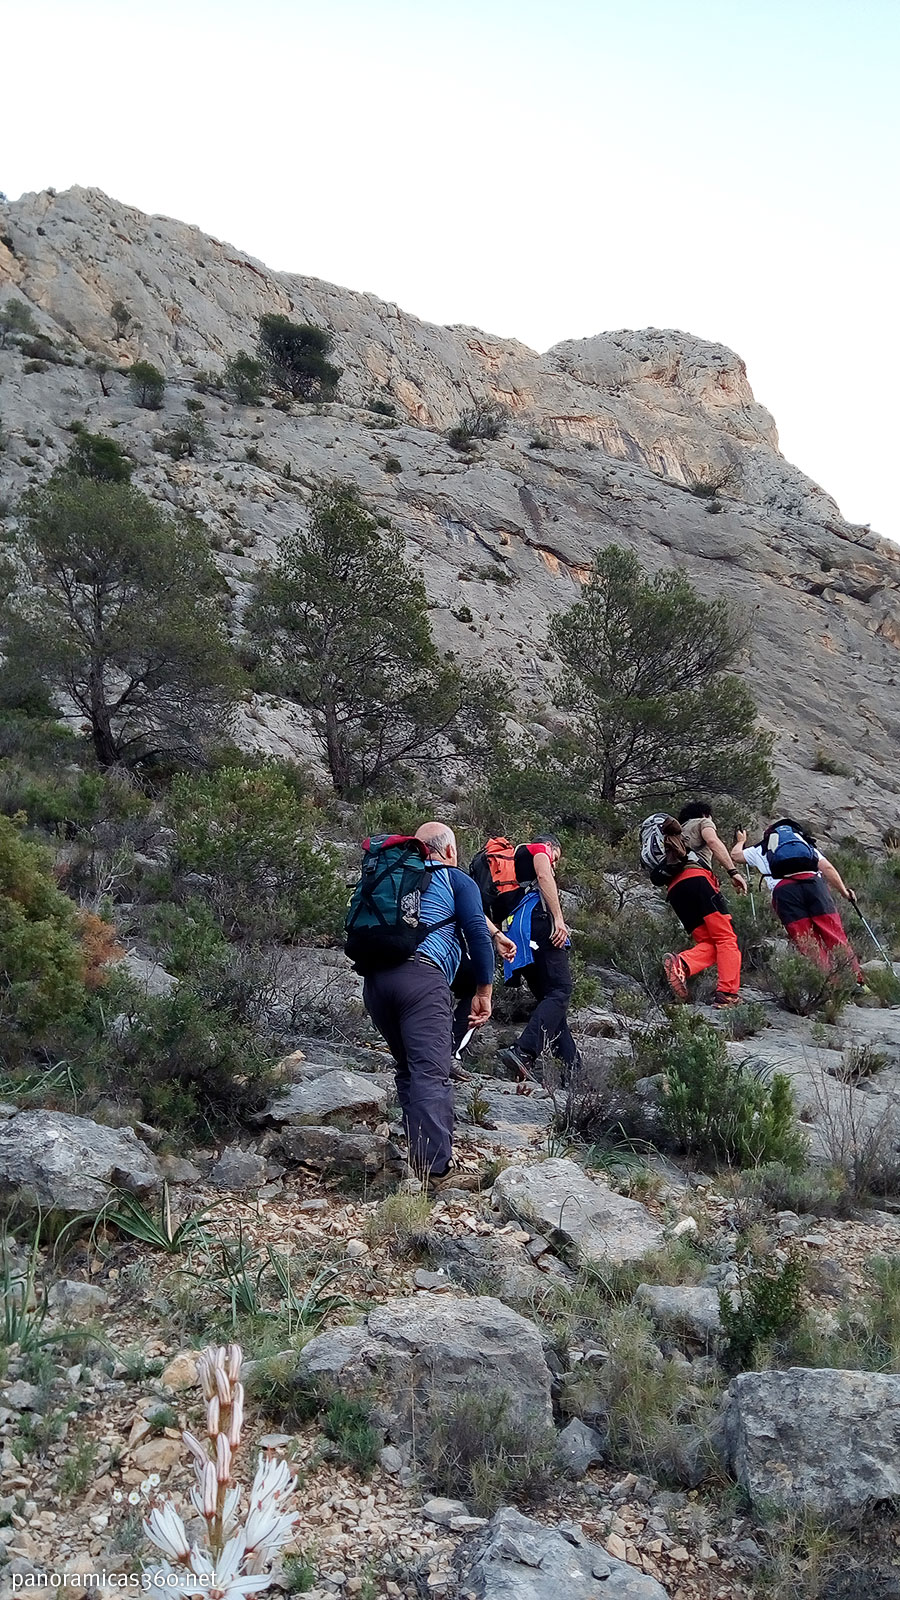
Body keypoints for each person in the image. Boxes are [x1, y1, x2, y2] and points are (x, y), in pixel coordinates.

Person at [360, 821, 494, 1187]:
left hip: (376, 983)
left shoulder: (392, 875)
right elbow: (478, 934)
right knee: (431, 1072)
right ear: (449, 850)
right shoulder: (455, 879)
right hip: (421, 980)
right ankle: (437, 1171)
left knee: (409, 1069)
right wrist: (484, 991)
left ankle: (421, 1161)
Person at [494, 834, 579, 1080]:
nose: (555, 864)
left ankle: (574, 1072)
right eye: (557, 858)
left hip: (517, 932)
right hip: (537, 924)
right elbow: (543, 875)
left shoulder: (513, 862)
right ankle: (523, 1051)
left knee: (551, 1001)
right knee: (561, 990)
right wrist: (559, 920)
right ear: (551, 846)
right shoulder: (538, 848)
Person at [733, 819, 863, 978]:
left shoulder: (761, 847)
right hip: (814, 886)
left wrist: (741, 841)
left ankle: (825, 983)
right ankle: (856, 980)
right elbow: (827, 868)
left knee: (806, 940)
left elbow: (735, 855)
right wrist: (845, 892)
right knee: (834, 934)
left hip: (785, 892)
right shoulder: (804, 842)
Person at [664, 801, 748, 1009]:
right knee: (726, 938)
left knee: (711, 943)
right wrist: (733, 872)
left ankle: (681, 964)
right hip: (699, 881)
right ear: (705, 814)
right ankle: (728, 994)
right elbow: (712, 841)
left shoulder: (675, 836)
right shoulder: (702, 822)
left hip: (676, 890)